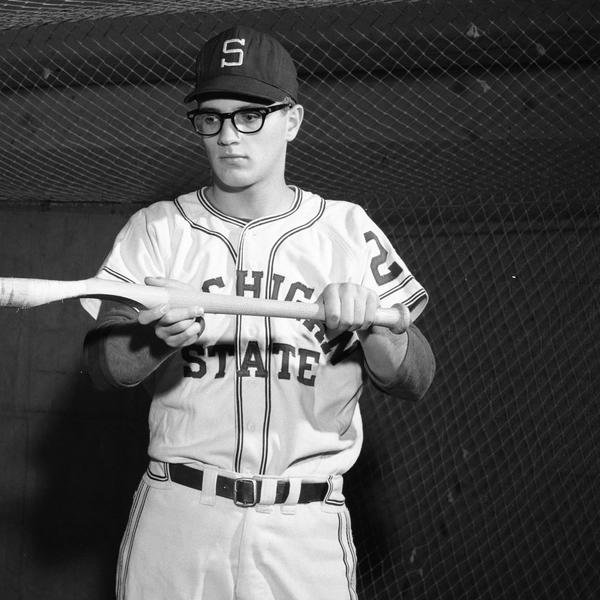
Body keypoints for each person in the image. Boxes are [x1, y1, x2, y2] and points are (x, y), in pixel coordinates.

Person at [81, 26, 435, 600]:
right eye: (211, 117)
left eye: (250, 115)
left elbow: (417, 377)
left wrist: (375, 328)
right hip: (181, 511)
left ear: (292, 120)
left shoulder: (346, 230)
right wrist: (158, 339)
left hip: (304, 523)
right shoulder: (159, 229)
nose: (227, 135)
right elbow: (102, 366)